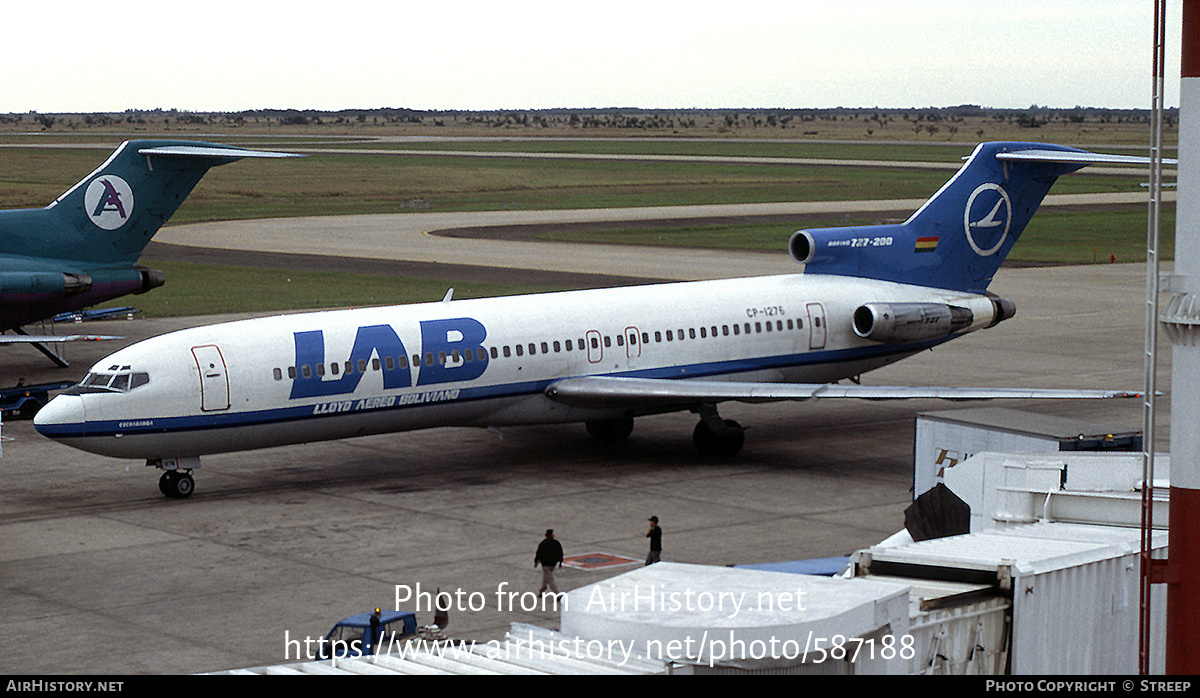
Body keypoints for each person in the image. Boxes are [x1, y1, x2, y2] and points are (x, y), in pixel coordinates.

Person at [535, 529, 564, 594]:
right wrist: (560, 562)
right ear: (553, 535)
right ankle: (557, 594)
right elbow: (560, 553)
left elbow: (539, 553)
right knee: (550, 579)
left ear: (545, 535)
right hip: (553, 564)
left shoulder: (543, 543)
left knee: (547, 578)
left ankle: (541, 591)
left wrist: (536, 562)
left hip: (545, 565)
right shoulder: (556, 543)